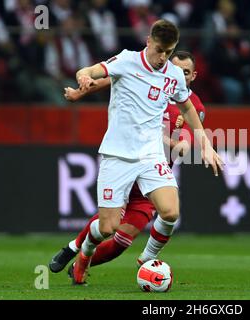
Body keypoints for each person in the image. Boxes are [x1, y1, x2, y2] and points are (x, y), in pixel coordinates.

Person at [68, 20, 222, 285]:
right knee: (107, 228)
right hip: (117, 154)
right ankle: (84, 254)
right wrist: (84, 75)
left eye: (169, 52)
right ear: (149, 41)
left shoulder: (172, 74)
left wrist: (206, 144)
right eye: (160, 50)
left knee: (171, 212)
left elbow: (187, 109)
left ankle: (147, 258)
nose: (163, 57)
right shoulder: (127, 60)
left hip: (151, 155)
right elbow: (93, 69)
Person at [49, 51, 206, 274]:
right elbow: (111, 78)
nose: (179, 74)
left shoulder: (193, 106)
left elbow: (185, 146)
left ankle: (81, 262)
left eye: (185, 72)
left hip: (153, 173)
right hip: (126, 161)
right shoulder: (151, 79)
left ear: (193, 76)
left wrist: (170, 142)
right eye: (176, 68)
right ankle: (73, 248)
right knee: (108, 223)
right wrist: (81, 92)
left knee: (121, 241)